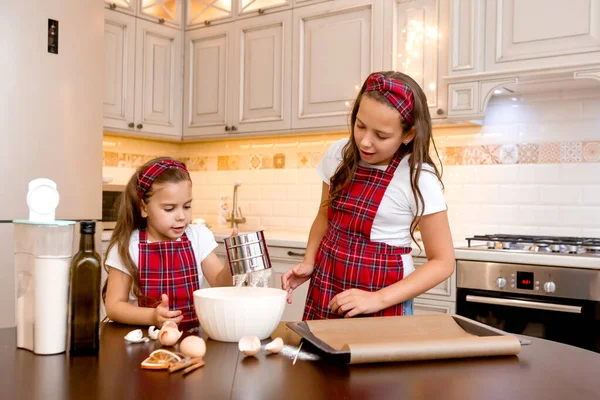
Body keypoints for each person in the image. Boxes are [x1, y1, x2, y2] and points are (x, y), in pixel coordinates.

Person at [281, 71, 455, 320]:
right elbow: (324, 216)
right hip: (327, 284)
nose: (365, 142)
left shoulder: (418, 177)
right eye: (360, 126)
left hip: (383, 296)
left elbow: (443, 261)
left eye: (381, 136)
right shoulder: (337, 154)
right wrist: (309, 260)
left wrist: (376, 299)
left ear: (409, 134)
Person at [103, 157, 233, 327]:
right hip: (143, 341)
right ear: (144, 208)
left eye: (187, 206)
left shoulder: (198, 237)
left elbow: (220, 284)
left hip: (191, 336)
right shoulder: (128, 246)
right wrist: (152, 316)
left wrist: (232, 260)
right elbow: (114, 306)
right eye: (169, 209)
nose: (181, 216)